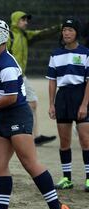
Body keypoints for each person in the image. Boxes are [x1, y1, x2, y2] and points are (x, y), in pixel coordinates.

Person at [0, 19, 69, 209]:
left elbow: (11, 98)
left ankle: (57, 208)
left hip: (18, 115)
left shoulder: (9, 65)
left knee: (29, 163)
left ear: (0, 39)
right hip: (3, 115)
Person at [0, 11, 59, 146]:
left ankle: (34, 135)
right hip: (10, 74)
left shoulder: (25, 35)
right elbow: (0, 54)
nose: (26, 23)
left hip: (18, 74)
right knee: (3, 102)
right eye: (23, 20)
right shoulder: (8, 36)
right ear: (15, 21)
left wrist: (60, 27)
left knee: (29, 103)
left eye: (26, 20)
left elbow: (42, 33)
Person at [47, 18, 89, 192]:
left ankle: (88, 179)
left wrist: (85, 104)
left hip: (81, 95)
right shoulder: (56, 54)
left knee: (85, 140)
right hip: (63, 97)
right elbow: (51, 81)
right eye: (64, 30)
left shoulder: (86, 53)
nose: (67, 33)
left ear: (76, 33)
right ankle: (67, 178)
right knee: (64, 141)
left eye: (70, 30)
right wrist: (51, 104)